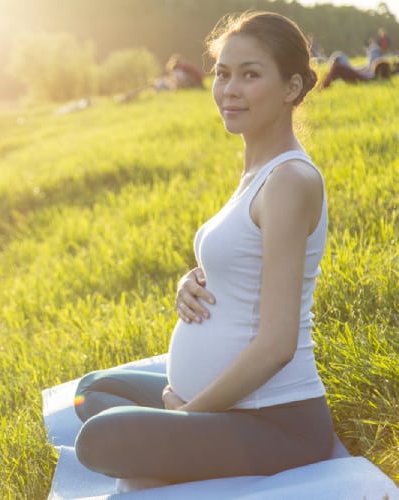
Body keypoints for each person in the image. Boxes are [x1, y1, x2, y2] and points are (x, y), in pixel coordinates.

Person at [73, 11, 334, 490]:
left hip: (278, 423)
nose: (229, 89)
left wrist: (188, 415)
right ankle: (173, 452)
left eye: (250, 75)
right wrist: (189, 282)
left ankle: (172, 451)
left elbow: (278, 345)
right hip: (214, 407)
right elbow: (245, 269)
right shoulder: (257, 176)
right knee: (95, 392)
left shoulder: (290, 181)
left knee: (99, 439)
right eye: (223, 74)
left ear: (292, 88)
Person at [321, 38, 392, 88]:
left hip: (362, 75)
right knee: (338, 56)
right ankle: (324, 83)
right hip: (363, 73)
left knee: (338, 58)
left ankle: (322, 85)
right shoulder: (372, 77)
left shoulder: (370, 78)